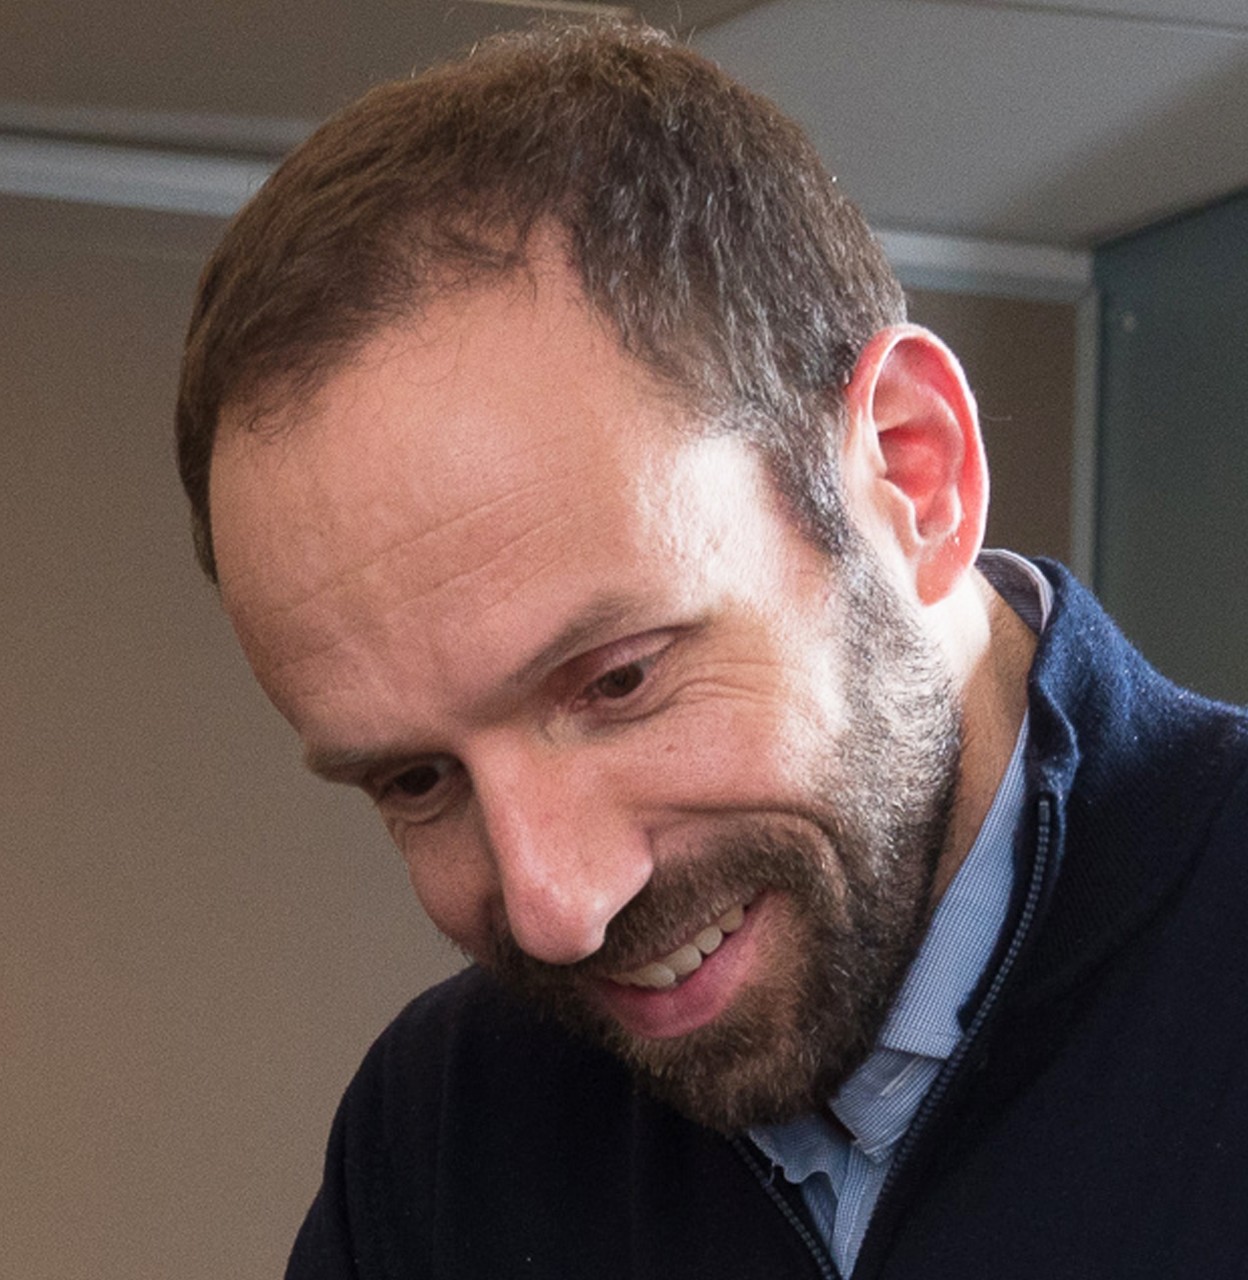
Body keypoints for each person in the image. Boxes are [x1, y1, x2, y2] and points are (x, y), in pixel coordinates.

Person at [175, 21, 1248, 1280]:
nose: (558, 907)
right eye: (417, 780)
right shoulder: (440, 1133)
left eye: (619, 678)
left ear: (914, 476)